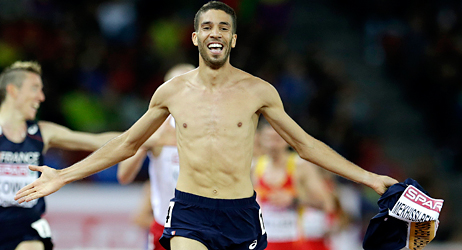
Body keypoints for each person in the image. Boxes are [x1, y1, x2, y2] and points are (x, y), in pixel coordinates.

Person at [15, 2, 398, 250]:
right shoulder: (172, 92)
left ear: (233, 38)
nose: (215, 32)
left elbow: (307, 145)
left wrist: (368, 177)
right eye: (208, 26)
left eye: (223, 27)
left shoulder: (258, 91)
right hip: (190, 210)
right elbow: (127, 144)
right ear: (196, 36)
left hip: (240, 212)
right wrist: (63, 175)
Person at [0, 61, 120, 250]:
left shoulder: (43, 132)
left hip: (27, 227)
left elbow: (96, 140)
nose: (41, 97)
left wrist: (146, 136)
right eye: (35, 89)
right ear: (13, 90)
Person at [117, 64, 195, 250]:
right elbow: (124, 176)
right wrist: (146, 141)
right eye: (177, 84)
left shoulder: (215, 126)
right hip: (165, 229)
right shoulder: (156, 127)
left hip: (204, 227)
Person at [252, 122, 335, 250]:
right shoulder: (254, 167)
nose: (273, 145)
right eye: (269, 139)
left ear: (286, 139)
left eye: (277, 139)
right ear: (260, 139)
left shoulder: (301, 166)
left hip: (294, 243)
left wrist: (294, 200)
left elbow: (328, 205)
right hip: (266, 243)